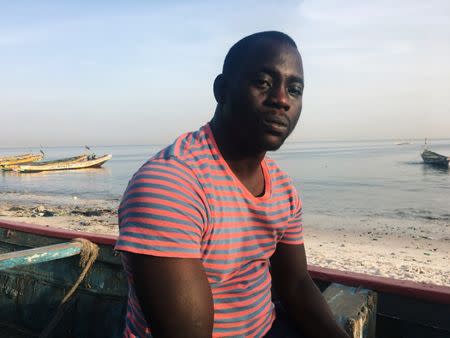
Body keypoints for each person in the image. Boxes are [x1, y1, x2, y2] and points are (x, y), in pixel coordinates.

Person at [115, 31, 349, 338]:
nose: (281, 99)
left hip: (267, 328)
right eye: (263, 82)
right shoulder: (171, 185)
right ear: (222, 90)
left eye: (294, 89)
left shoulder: (281, 187)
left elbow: (295, 283)